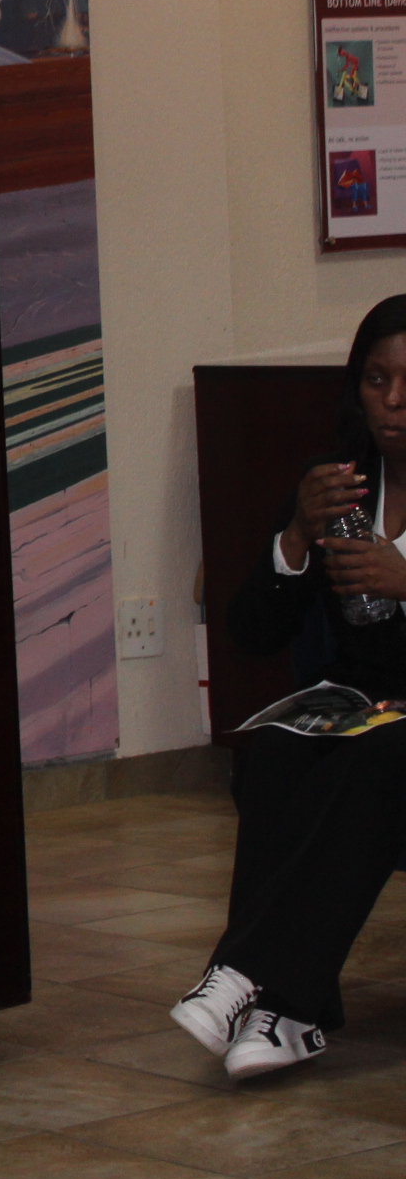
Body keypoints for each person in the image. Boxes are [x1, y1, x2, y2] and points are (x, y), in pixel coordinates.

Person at [177, 295, 406, 1076]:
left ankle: (244, 975)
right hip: (366, 706)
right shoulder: (338, 488)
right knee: (274, 754)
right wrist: (295, 538)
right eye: (376, 379)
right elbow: (251, 631)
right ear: (356, 389)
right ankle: (290, 1012)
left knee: (379, 757)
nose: (395, 400)